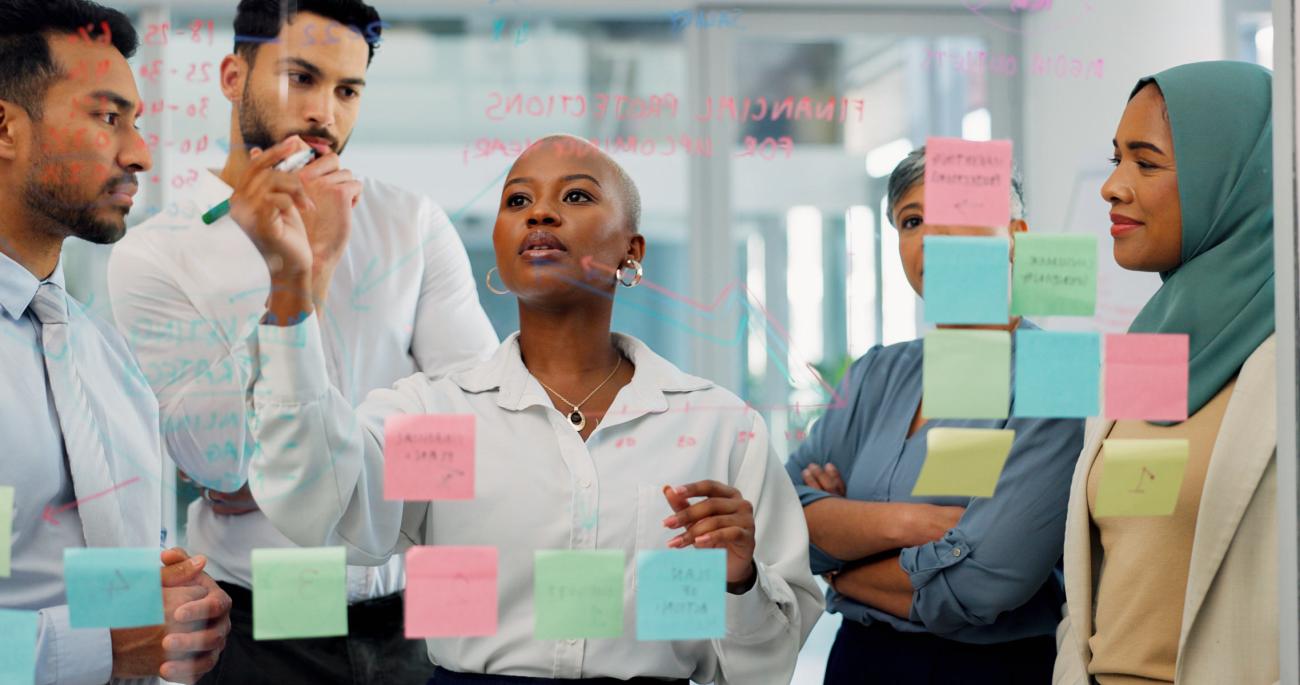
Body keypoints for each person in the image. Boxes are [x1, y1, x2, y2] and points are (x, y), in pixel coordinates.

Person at [229, 133, 822, 684]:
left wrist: (740, 582)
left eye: (576, 195)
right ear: (499, 248)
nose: (539, 212)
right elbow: (323, 505)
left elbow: (763, 667)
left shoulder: (714, 429)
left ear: (630, 251)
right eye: (517, 200)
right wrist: (289, 289)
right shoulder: (443, 421)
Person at [105, 1, 498, 683]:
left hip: (416, 619)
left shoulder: (411, 223)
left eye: (347, 90)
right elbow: (222, 464)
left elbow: (485, 426)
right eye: (301, 78)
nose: (325, 112)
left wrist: (306, 466)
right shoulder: (154, 256)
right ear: (233, 75)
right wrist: (303, 281)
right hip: (260, 629)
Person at [786, 147, 1085, 684]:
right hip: (857, 662)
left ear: (1015, 235)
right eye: (912, 220)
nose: (932, 237)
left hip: (985, 672)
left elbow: (986, 582)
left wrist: (840, 561)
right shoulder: (877, 372)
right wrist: (915, 523)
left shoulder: (1054, 374)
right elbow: (784, 520)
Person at [0, 1, 231, 683]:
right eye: (108, 118)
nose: (139, 152)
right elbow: (105, 637)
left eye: (136, 122)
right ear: (5, 129)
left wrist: (175, 608)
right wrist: (102, 644)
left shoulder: (103, 354)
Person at [1053, 61, 1278, 685]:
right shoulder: (1148, 344)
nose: (1113, 187)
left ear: (1231, 181)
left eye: (1145, 163)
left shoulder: (1282, 360)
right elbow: (1111, 559)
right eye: (1115, 159)